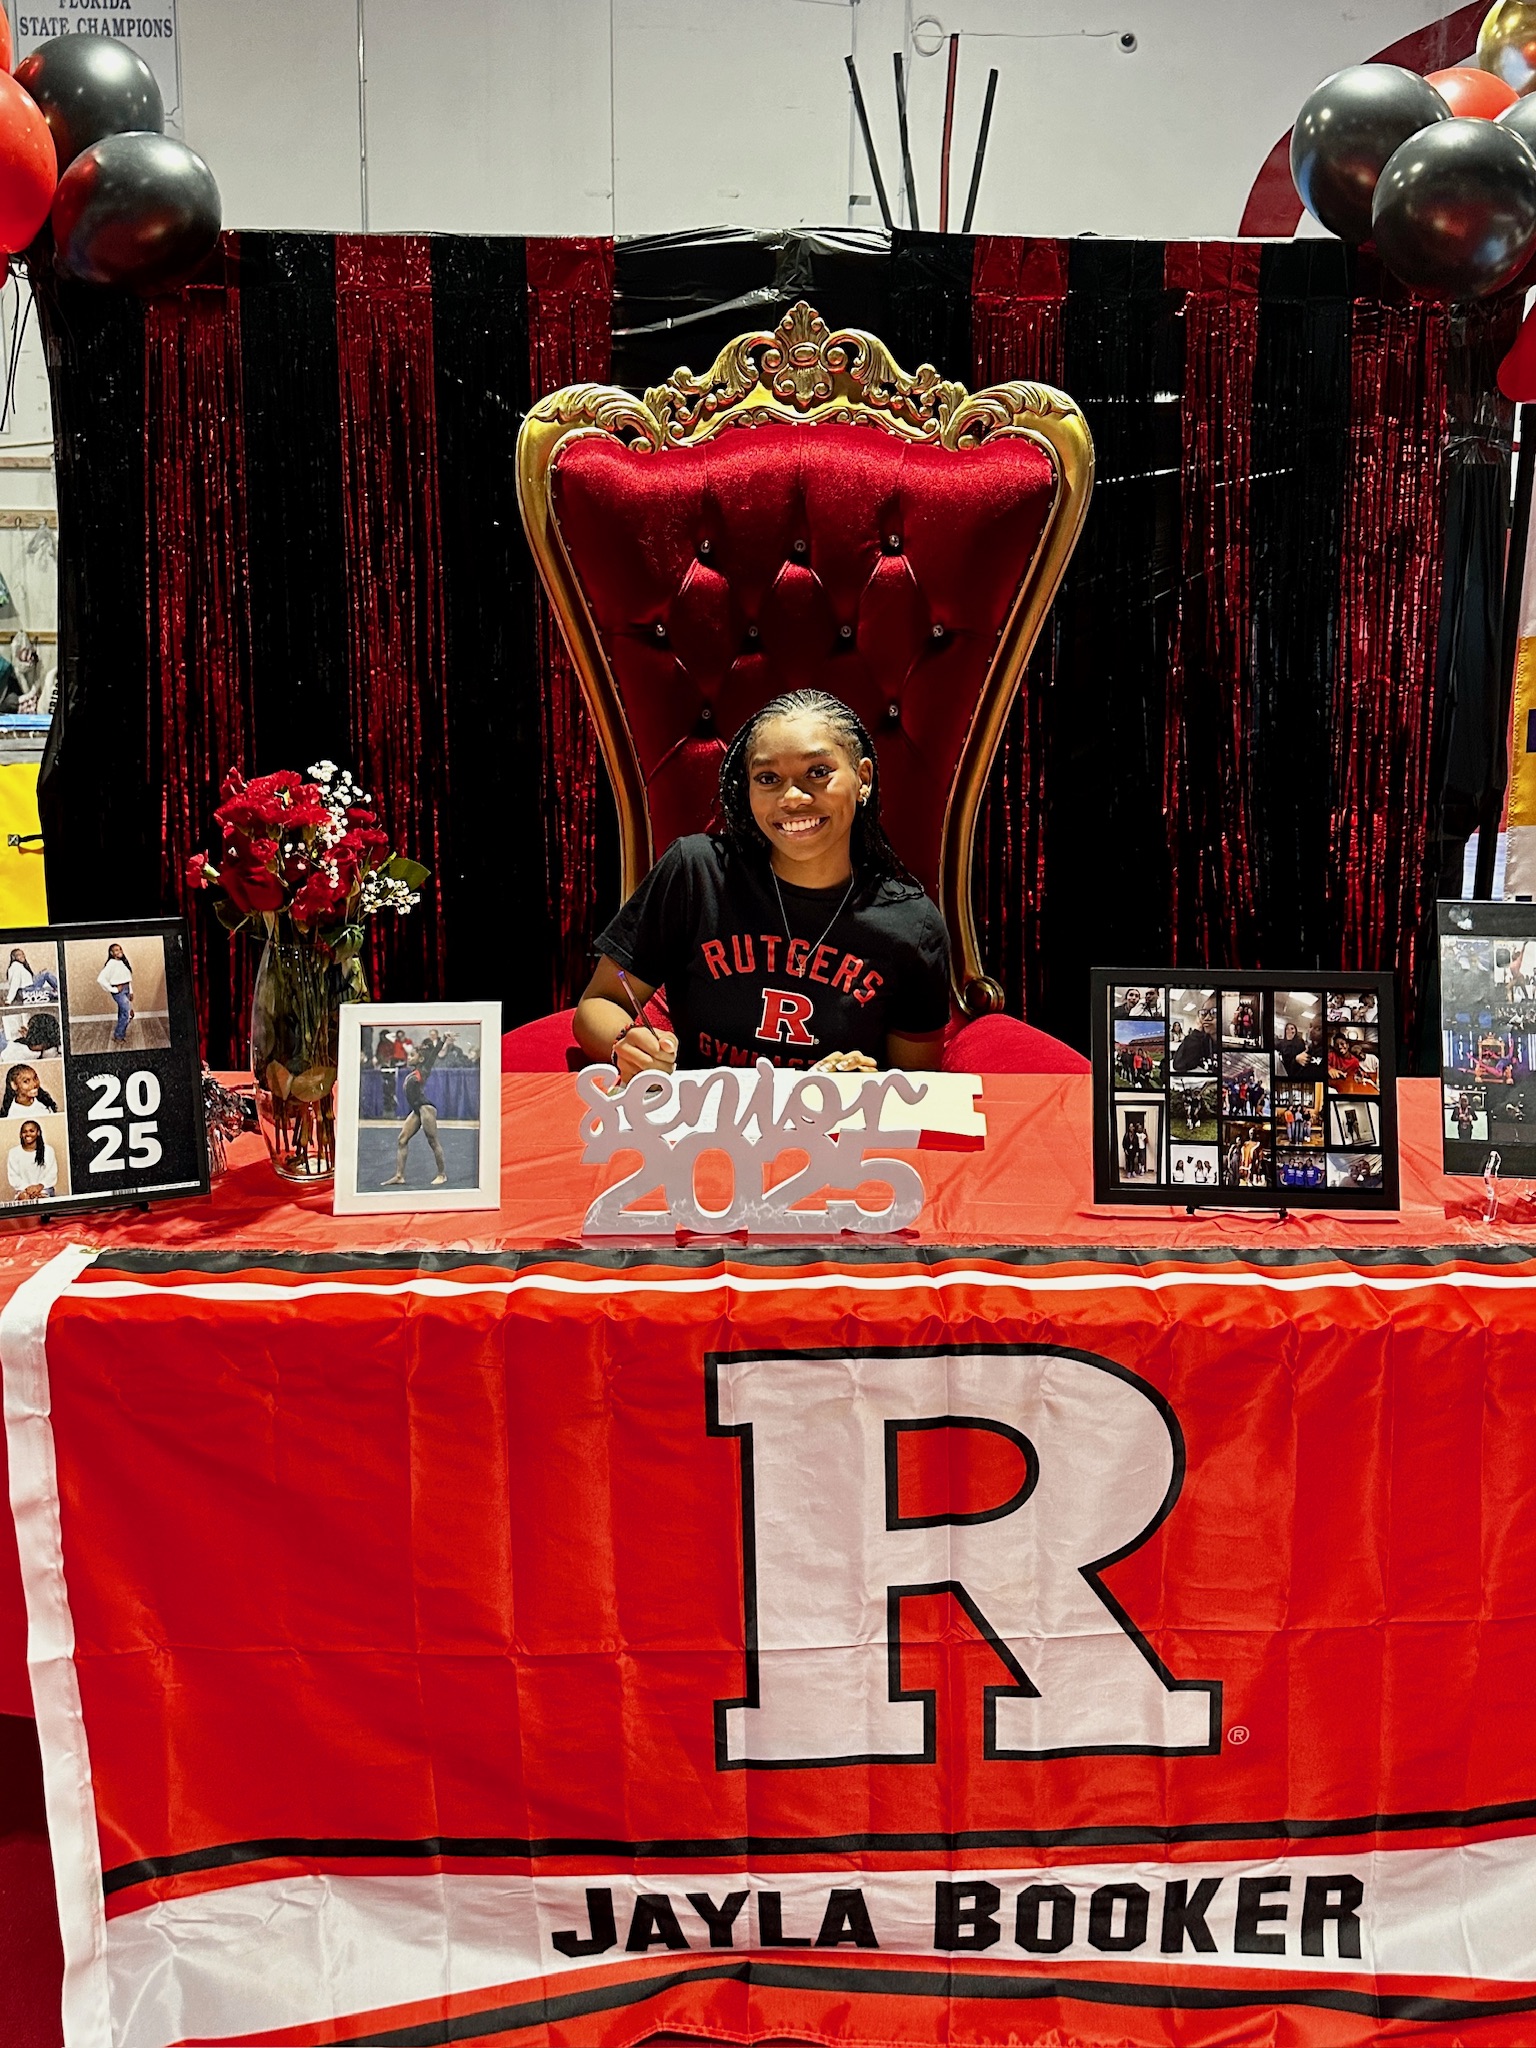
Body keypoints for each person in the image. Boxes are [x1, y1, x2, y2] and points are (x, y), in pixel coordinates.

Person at [575, 689, 950, 1076]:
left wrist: (867, 1084)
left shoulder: (912, 925)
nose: (791, 798)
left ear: (862, 779)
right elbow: (597, 1005)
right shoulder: (696, 873)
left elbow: (919, 1086)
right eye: (768, 778)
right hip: (700, 1128)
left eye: (818, 772)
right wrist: (626, 1045)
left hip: (834, 1131)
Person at [382, 1032, 448, 1187]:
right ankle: (399, 1176)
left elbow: (434, 1055)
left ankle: (442, 1174)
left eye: (412, 1055)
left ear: (421, 1059)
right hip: (417, 1110)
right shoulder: (413, 1073)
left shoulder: (423, 1070)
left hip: (425, 1109)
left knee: (433, 1141)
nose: (408, 1057)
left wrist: (443, 1040)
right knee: (402, 1140)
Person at [7, 1118, 55, 1201]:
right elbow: (14, 1177)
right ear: (21, 1135)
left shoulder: (48, 1150)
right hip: (23, 1190)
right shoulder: (13, 1152)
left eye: (31, 1131)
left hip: (44, 1189)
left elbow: (51, 1174)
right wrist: (27, 1189)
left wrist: (39, 1186)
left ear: (38, 1133)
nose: (28, 1134)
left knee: (42, 1199)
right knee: (24, 1199)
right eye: (24, 1132)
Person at [97, 944, 133, 1044]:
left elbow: (127, 979)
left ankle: (120, 1035)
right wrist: (114, 989)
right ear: (111, 953)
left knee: (123, 1013)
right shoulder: (111, 963)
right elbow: (101, 979)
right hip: (119, 992)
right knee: (127, 1014)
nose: (119, 951)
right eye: (116, 950)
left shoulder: (122, 962)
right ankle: (118, 1036)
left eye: (120, 949)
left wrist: (131, 991)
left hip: (126, 989)